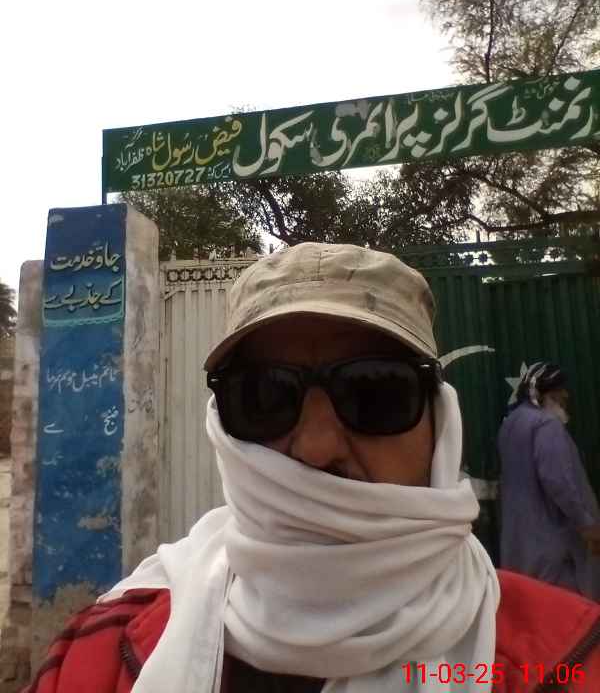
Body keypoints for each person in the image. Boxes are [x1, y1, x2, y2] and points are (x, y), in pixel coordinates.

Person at [26, 244, 600, 693]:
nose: (317, 448)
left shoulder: (570, 655)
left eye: (375, 391)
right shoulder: (100, 653)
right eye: (265, 396)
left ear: (440, 426)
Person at [498, 361, 600, 600]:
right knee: (566, 611)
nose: (566, 396)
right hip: (553, 553)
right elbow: (558, 481)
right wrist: (587, 525)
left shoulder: (509, 425)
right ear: (544, 393)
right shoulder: (546, 425)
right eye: (559, 390)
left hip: (519, 550)